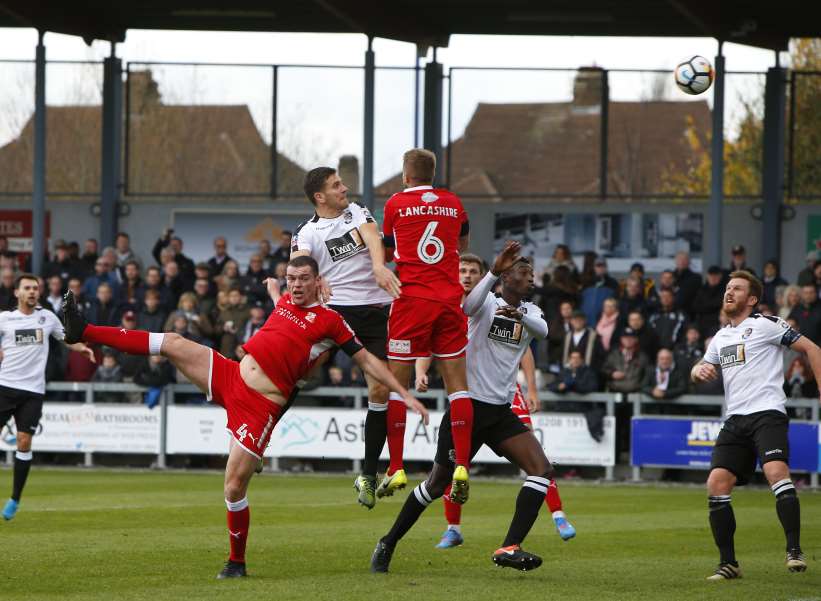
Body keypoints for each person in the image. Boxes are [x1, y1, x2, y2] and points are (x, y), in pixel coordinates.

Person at [61, 255, 427, 579]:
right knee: (172, 342)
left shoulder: (331, 321)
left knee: (234, 487)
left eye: (302, 280)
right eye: (291, 279)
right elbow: (282, 311)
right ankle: (85, 330)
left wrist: (404, 394)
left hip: (259, 406)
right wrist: (272, 289)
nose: (295, 286)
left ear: (318, 282)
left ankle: (236, 562)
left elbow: (366, 361)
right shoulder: (283, 300)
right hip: (231, 375)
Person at [371, 241, 561, 573]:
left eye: (531, 274)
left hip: (500, 413)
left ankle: (509, 546)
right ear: (507, 276)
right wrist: (492, 271)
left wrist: (520, 316)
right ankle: (388, 541)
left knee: (542, 470)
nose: (531, 279)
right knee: (435, 485)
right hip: (467, 411)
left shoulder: (531, 312)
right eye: (524, 273)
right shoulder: (487, 301)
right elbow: (470, 307)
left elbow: (542, 331)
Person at [417, 253, 576, 549]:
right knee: (445, 477)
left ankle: (556, 515)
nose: (466, 275)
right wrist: (421, 369)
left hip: (504, 402)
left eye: (471, 271)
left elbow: (531, 341)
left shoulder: (524, 308)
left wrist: (531, 389)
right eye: (462, 270)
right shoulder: (467, 304)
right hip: (467, 401)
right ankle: (450, 527)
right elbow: (433, 340)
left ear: (482, 274)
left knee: (538, 464)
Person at [691, 270, 821, 579]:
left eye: (737, 288)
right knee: (716, 484)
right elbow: (701, 367)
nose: (729, 292)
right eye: (727, 287)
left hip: (767, 414)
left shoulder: (766, 325)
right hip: (735, 420)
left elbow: (813, 349)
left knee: (776, 472)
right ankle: (728, 564)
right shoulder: (721, 336)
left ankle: (793, 551)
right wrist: (698, 371)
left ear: (752, 299)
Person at [291, 166, 402, 509]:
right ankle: (259, 438)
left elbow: (371, 236)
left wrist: (379, 266)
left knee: (380, 387)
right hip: (336, 310)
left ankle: (367, 474)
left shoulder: (357, 211)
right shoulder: (307, 231)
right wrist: (312, 275)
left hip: (374, 309)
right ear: (319, 197)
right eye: (337, 185)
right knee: (294, 368)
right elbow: (297, 263)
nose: (345, 188)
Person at [378, 148, 473, 504]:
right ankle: (462, 465)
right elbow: (461, 243)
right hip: (449, 301)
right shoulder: (453, 202)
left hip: (411, 300)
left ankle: (397, 466)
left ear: (406, 175)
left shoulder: (395, 204)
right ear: (433, 173)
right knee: (458, 389)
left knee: (396, 388)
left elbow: (387, 251)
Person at [1, 274, 95, 520]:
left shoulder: (47, 318)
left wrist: (82, 348)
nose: (32, 292)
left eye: (35, 288)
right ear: (17, 293)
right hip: (4, 387)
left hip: (33, 391)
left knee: (23, 442)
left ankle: (15, 498)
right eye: (27, 288)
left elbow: (67, 339)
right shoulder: (5, 319)